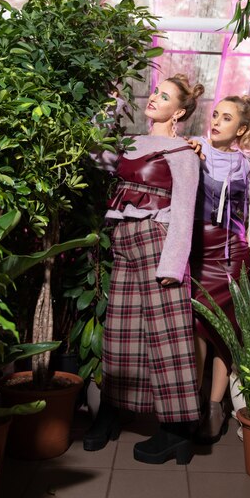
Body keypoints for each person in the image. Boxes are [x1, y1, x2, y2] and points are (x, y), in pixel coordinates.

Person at [85, 74, 205, 465]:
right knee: (119, 331)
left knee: (167, 339)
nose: (154, 98)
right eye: (156, 91)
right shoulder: (131, 143)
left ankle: (177, 430)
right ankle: (111, 411)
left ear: (181, 111)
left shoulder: (184, 153)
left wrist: (174, 264)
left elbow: (184, 211)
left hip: (158, 242)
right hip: (124, 242)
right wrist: (111, 108)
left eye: (165, 96)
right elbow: (94, 156)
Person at [189, 95, 250, 444]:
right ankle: (191, 403)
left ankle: (216, 405)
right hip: (199, 250)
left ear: (242, 128)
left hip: (231, 254)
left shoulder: (246, 167)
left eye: (227, 117)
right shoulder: (194, 148)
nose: (217, 121)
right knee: (196, 325)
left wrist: (247, 240)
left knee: (225, 330)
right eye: (216, 114)